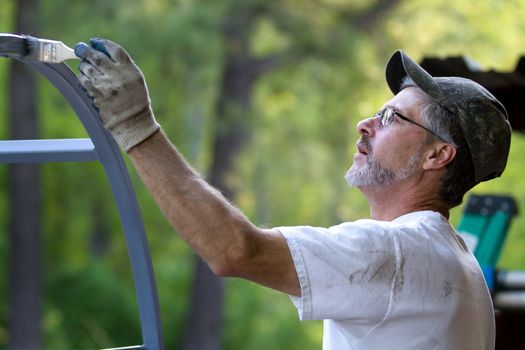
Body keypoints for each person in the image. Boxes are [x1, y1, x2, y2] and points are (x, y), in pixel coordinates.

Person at [74, 38, 511, 350]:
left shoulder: (397, 252)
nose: (366, 123)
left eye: (392, 117)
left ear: (438, 155)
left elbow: (235, 250)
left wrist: (134, 124)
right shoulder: (451, 259)